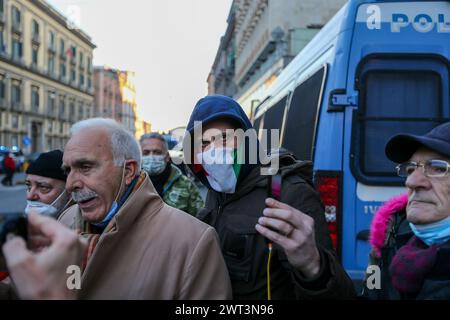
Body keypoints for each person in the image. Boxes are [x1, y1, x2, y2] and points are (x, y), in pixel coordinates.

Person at [2, 118, 232, 299]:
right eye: (68, 170)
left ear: (128, 171)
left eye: (85, 166)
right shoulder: (66, 221)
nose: (71, 184)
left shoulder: (194, 241)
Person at [184, 95, 355, 299]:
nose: (214, 150)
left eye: (224, 138)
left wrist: (313, 266)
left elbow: (340, 293)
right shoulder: (215, 190)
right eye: (203, 143)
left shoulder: (289, 192)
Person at [364, 122, 450, 299]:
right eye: (411, 169)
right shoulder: (388, 237)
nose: (411, 181)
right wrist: (316, 271)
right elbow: (370, 294)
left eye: (439, 168)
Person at [140, 132, 204, 216]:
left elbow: (201, 219)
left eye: (157, 152)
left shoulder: (186, 185)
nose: (151, 156)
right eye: (146, 153)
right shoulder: (129, 184)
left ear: (167, 157)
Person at [25, 150, 71, 218]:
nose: (29, 196)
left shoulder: (85, 226)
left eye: (43, 187)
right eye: (29, 186)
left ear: (70, 192)